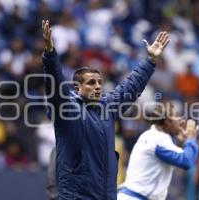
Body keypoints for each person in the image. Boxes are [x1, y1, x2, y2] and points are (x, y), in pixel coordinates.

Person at [41, 19, 169, 199]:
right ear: (77, 88)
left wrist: (151, 60)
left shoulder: (107, 107)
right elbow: (55, 83)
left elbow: (130, 87)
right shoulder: (67, 108)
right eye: (91, 82)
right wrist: (50, 55)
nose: (98, 86)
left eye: (100, 82)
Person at [118, 103, 199, 200]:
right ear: (167, 121)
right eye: (177, 116)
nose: (181, 121)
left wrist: (181, 143)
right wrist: (191, 138)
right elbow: (186, 161)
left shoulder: (151, 135)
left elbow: (170, 156)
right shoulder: (159, 139)